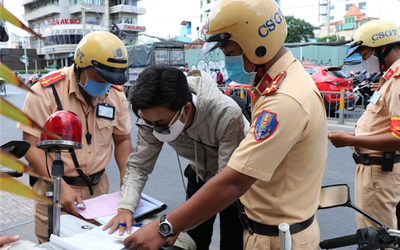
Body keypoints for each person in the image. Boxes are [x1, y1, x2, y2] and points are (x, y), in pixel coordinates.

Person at [121, 0, 327, 249]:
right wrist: (127, 207)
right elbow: (140, 164)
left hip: (276, 237)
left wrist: (166, 226)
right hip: (263, 225)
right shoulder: (275, 86)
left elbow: (232, 182)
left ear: (256, 45)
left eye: (229, 53)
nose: (228, 61)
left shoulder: (283, 100)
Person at [103, 65, 249, 250]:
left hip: (235, 182)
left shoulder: (226, 115)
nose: (155, 129)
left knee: (233, 239)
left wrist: (171, 225)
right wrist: (125, 208)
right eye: (149, 123)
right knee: (193, 241)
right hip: (199, 174)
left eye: (162, 124)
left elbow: (226, 184)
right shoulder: (151, 121)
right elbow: (139, 166)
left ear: (186, 109)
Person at [17, 31, 133, 243]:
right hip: (54, 190)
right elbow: (30, 146)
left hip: (99, 193)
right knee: (55, 245)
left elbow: (123, 140)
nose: (105, 84)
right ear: (81, 65)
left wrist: (128, 182)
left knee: (98, 245)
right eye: (100, 77)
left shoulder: (116, 94)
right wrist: (59, 186)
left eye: (111, 79)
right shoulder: (45, 92)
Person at [328, 20, 400, 230]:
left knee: (376, 239)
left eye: (366, 55)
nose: (364, 61)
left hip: (379, 172)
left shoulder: (397, 79)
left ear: (382, 48)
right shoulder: (389, 78)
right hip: (377, 168)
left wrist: (349, 140)